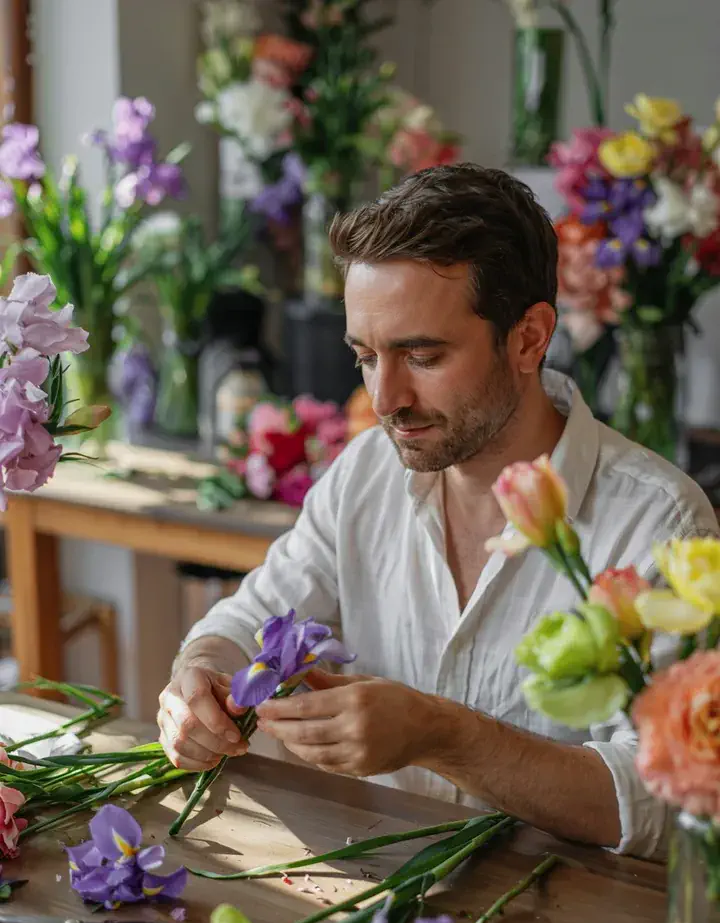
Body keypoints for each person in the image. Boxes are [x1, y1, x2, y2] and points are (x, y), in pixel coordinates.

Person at [158, 164, 718, 860]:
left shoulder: (662, 527)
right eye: (366, 356)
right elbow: (247, 620)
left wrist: (442, 735)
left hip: (568, 911)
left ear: (529, 338)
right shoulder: (365, 471)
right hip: (378, 883)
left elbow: (668, 799)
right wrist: (198, 678)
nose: (385, 398)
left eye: (421, 355)